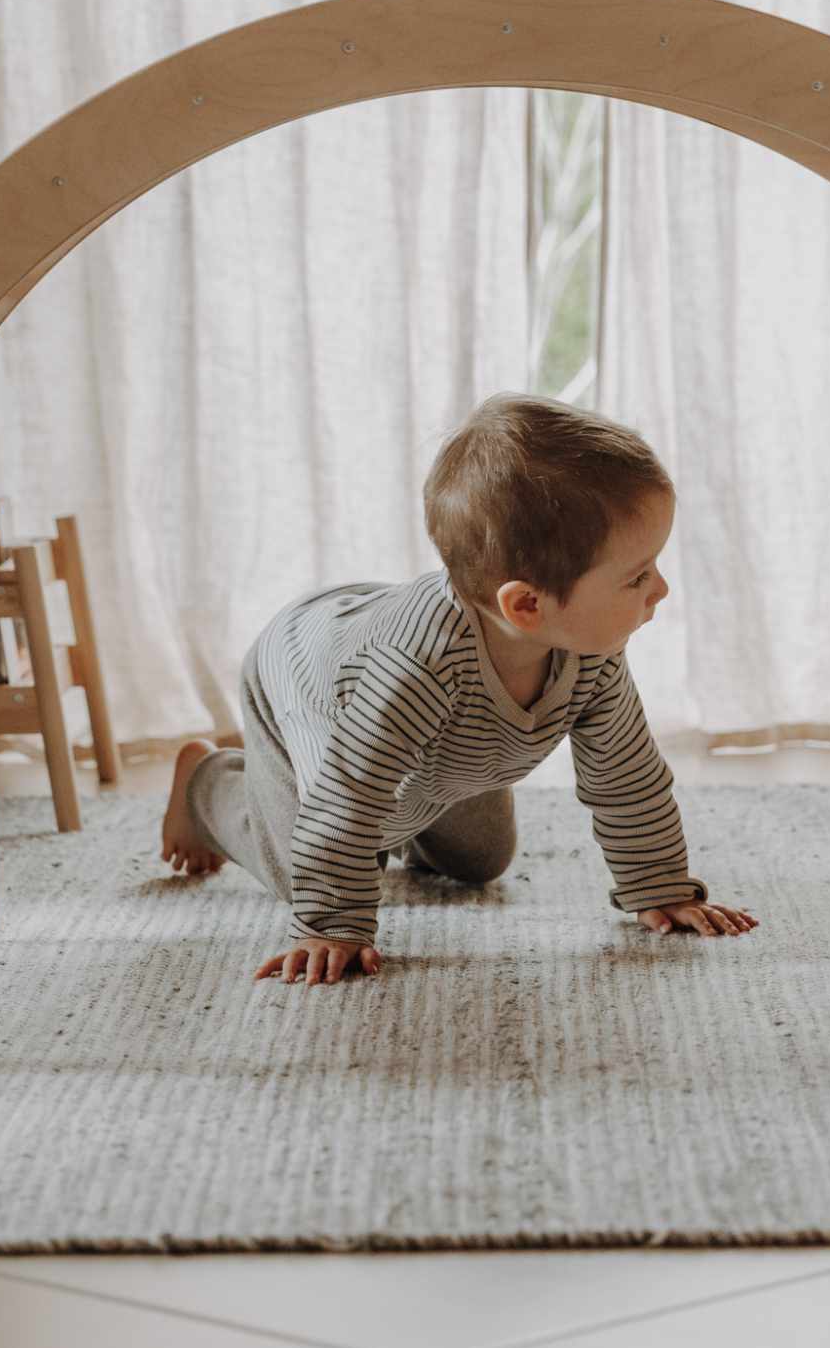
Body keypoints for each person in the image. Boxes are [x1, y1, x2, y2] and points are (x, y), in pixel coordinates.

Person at [159, 391, 759, 986]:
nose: (661, 589)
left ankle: (402, 818)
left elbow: (625, 773)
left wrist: (659, 886)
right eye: (637, 576)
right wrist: (333, 925)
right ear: (527, 604)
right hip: (306, 678)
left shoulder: (591, 650)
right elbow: (349, 792)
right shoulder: (411, 671)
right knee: (311, 864)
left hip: (445, 735)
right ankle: (207, 786)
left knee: (480, 862)